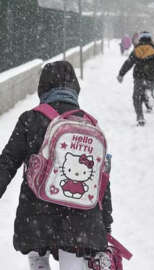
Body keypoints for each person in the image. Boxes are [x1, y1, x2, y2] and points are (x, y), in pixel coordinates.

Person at [0, 61, 113, 269]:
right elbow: (102, 180)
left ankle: (39, 262)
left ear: (43, 88)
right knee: (73, 260)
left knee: (37, 253)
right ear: (74, 89)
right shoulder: (89, 125)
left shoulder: (31, 119)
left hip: (36, 214)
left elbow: (7, 162)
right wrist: (105, 223)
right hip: (80, 222)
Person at [117, 31, 154, 126]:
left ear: (140, 39)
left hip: (139, 77)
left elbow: (128, 63)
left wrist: (121, 74)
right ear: (151, 40)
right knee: (149, 88)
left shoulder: (136, 51)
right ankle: (151, 92)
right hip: (152, 77)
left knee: (136, 97)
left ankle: (140, 117)